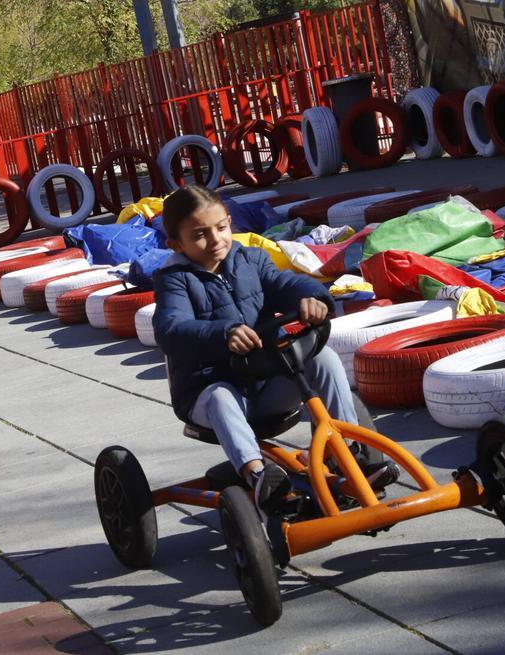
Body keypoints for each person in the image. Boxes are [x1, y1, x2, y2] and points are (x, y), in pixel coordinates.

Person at [152, 186, 393, 514]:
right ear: (176, 244)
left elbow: (285, 284)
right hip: (207, 393)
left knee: (321, 357)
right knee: (221, 395)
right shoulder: (174, 280)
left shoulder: (250, 259)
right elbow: (170, 329)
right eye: (200, 235)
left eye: (221, 228)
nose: (216, 240)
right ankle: (259, 476)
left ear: (230, 223)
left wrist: (313, 297)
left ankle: (348, 457)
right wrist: (223, 334)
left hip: (265, 382)